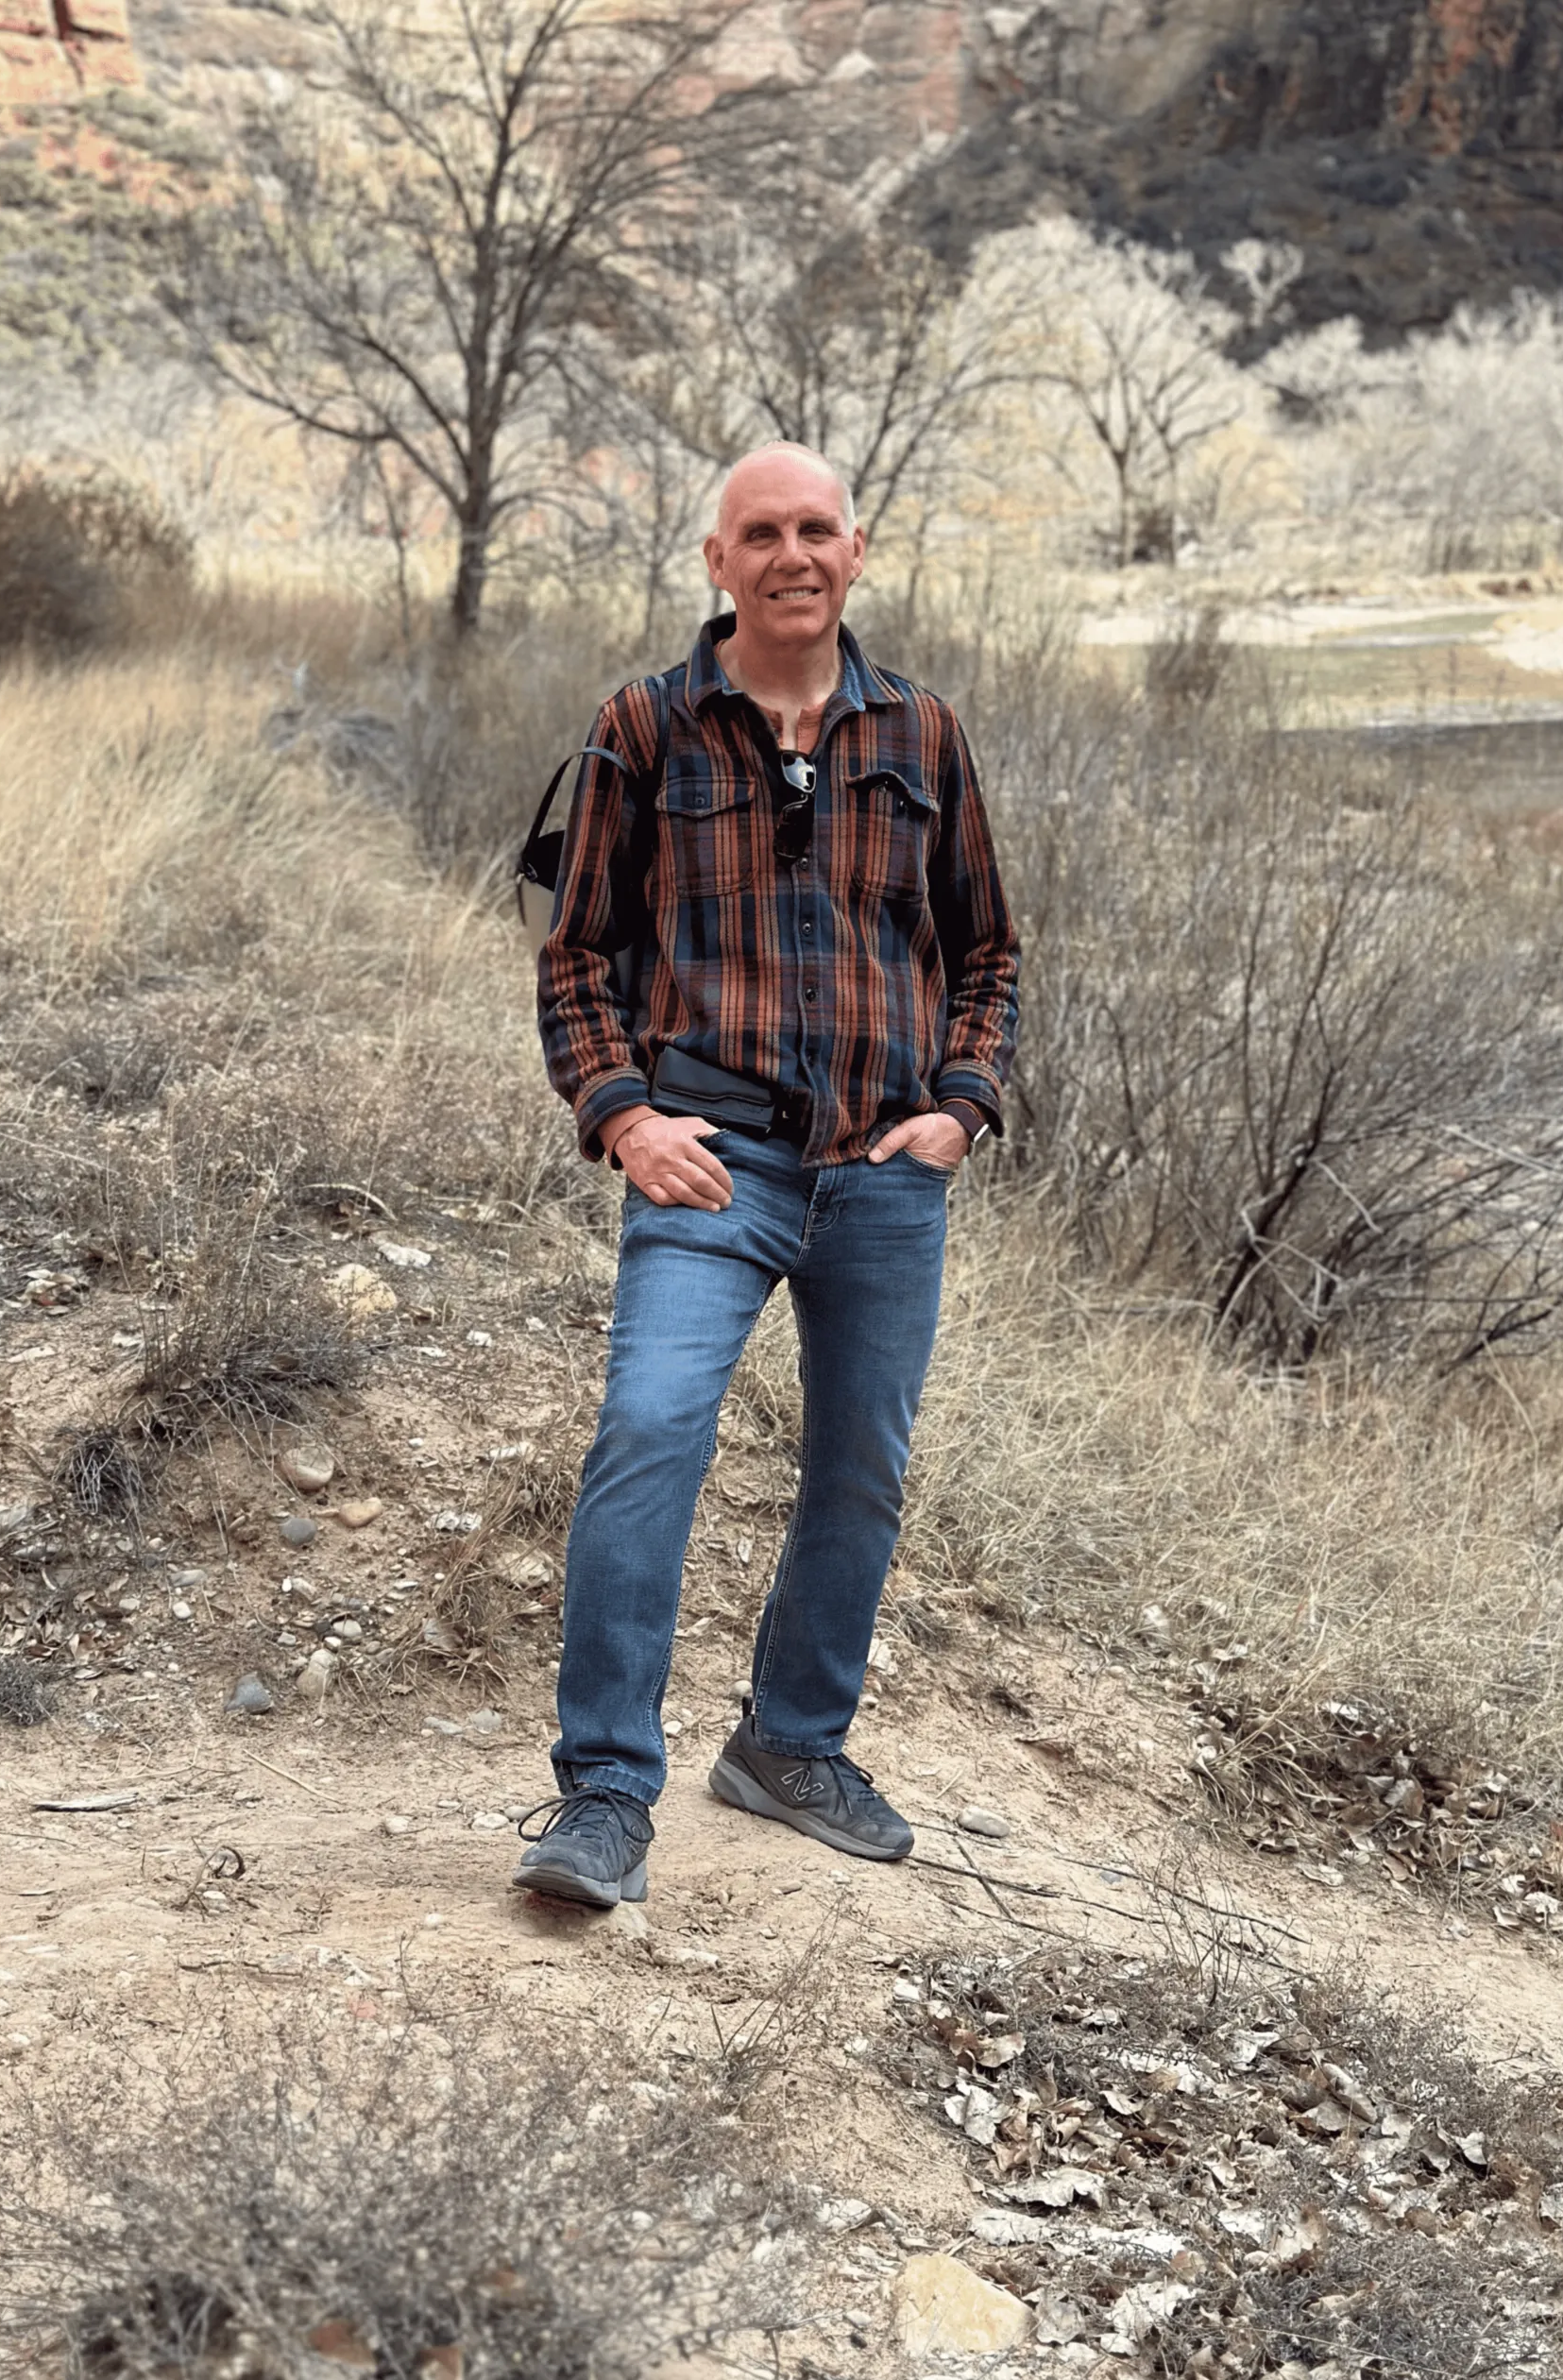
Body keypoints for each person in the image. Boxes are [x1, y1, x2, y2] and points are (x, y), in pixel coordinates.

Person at [517, 441, 1020, 1909]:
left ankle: (790, 1747)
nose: (790, 554)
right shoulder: (642, 729)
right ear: (716, 563)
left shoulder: (922, 734)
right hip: (706, 1167)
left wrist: (961, 1109)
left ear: (856, 553)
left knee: (858, 1468)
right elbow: (576, 961)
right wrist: (623, 1117)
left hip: (882, 1170)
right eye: (761, 533)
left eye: (816, 530)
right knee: (647, 1439)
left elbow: (986, 948)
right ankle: (604, 1794)